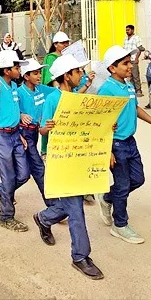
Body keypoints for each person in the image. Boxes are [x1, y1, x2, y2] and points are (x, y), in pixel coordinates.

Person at [33, 54, 104, 280]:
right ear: (66, 76)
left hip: (77, 156)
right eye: (78, 72)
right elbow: (42, 130)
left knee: (71, 203)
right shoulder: (53, 99)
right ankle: (80, 256)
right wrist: (48, 127)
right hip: (58, 158)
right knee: (75, 208)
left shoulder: (75, 96)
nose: (81, 75)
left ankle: (44, 218)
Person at [96, 45, 151, 244]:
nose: (130, 66)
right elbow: (99, 122)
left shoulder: (128, 86)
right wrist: (107, 150)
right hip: (115, 145)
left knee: (138, 179)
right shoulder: (106, 90)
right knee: (124, 184)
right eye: (125, 63)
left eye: (130, 62)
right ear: (112, 68)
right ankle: (120, 224)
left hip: (129, 142)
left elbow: (134, 108)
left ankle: (107, 197)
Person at [0, 50, 30, 232]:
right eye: (16, 66)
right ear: (6, 70)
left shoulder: (12, 87)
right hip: (1, 137)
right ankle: (6, 216)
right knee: (9, 177)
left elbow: (13, 111)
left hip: (14, 134)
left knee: (24, 174)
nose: (19, 69)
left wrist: (18, 132)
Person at [17, 58, 60, 206]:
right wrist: (20, 115)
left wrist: (86, 85)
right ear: (26, 76)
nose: (39, 76)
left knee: (24, 173)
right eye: (35, 73)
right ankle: (54, 206)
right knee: (39, 169)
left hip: (35, 133)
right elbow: (10, 110)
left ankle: (1, 190)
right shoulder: (19, 93)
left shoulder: (41, 88)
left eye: (39, 73)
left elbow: (62, 92)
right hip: (24, 134)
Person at [40, 31, 71, 158]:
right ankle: (45, 150)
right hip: (55, 91)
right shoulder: (51, 58)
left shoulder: (67, 56)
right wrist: (58, 90)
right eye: (63, 43)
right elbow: (51, 77)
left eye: (67, 42)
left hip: (66, 92)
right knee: (50, 122)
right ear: (55, 44)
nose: (65, 45)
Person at [123, 25, 145, 97]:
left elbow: (139, 49)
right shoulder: (125, 38)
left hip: (133, 59)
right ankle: (132, 90)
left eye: (128, 30)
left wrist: (136, 58)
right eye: (126, 30)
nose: (127, 31)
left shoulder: (136, 38)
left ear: (132, 30)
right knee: (129, 75)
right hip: (127, 60)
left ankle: (138, 90)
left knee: (135, 75)